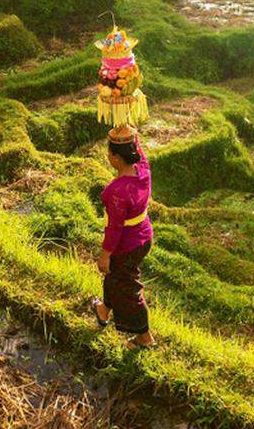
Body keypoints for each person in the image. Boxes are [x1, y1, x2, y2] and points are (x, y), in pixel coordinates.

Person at [91, 124, 156, 350]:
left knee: (127, 288)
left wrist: (105, 255)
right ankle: (103, 311)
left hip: (126, 245)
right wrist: (128, 131)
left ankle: (144, 338)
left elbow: (115, 228)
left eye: (109, 153)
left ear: (117, 158)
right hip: (143, 237)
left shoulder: (118, 190)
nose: (108, 156)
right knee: (115, 276)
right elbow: (139, 151)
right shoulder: (143, 170)